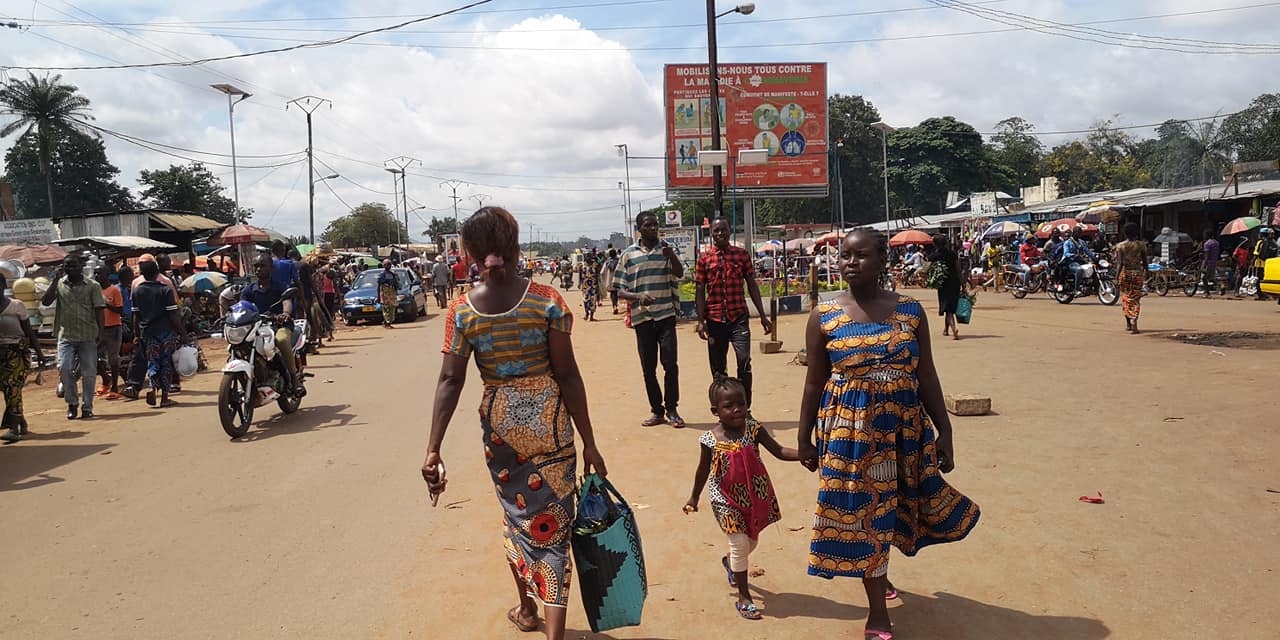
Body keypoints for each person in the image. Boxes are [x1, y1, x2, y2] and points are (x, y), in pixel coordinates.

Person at [421, 207, 607, 640]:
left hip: (501, 434)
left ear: (470, 253)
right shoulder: (548, 301)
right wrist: (591, 443)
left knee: (517, 518)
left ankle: (528, 609)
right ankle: (547, 623)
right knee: (553, 529)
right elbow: (568, 375)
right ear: (515, 247)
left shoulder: (461, 312)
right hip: (552, 426)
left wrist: (433, 448)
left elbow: (451, 379)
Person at [797, 230, 980, 640]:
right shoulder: (823, 315)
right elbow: (813, 382)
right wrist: (804, 438)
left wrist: (945, 430)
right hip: (850, 435)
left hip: (904, 430)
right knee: (865, 513)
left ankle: (878, 568)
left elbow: (926, 373)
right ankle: (877, 607)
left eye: (860, 256)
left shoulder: (911, 311)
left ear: (882, 260)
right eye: (844, 256)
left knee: (897, 508)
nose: (849, 262)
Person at [683, 377, 797, 620]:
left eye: (741, 403)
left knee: (751, 541)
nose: (736, 410)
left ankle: (730, 563)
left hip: (754, 494)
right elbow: (702, 470)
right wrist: (693, 497)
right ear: (715, 411)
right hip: (724, 498)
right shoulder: (710, 440)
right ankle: (745, 596)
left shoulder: (754, 429)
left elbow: (779, 451)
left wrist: (807, 454)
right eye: (728, 406)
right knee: (740, 543)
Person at [614, 211, 686, 428]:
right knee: (649, 368)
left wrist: (671, 255)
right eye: (648, 225)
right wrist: (638, 297)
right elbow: (618, 289)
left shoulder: (665, 251)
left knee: (670, 364)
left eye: (656, 225)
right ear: (639, 229)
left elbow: (680, 274)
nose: (653, 228)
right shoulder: (628, 255)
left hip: (665, 315)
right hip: (642, 319)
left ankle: (672, 409)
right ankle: (657, 411)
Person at [694, 218, 774, 411]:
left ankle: (745, 408)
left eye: (723, 230)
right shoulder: (704, 258)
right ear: (711, 233)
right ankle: (722, 409)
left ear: (730, 231)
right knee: (718, 369)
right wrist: (700, 321)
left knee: (744, 362)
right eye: (716, 231)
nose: (720, 234)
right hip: (714, 319)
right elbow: (699, 290)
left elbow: (752, 285)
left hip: (738, 317)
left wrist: (763, 316)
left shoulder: (741, 255)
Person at [41, 254, 105, 420]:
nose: (70, 269)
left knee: (89, 372)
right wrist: (55, 280)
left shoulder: (93, 286)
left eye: (73, 266)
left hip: (88, 334)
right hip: (66, 335)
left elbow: (99, 309)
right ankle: (72, 403)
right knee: (64, 368)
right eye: (67, 266)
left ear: (81, 267)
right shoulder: (60, 284)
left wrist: (101, 333)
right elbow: (46, 302)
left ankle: (87, 407)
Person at [241, 254, 304, 396]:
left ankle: (294, 380)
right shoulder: (249, 290)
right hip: (257, 328)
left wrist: (285, 313)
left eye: (262, 265)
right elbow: (242, 306)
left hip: (280, 325)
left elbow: (286, 302)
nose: (258, 269)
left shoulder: (281, 286)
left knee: (280, 340)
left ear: (272, 268)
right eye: (256, 266)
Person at [132, 259, 189, 407]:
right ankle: (164, 397)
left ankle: (152, 386)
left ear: (142, 274)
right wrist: (182, 333)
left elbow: (135, 316)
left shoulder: (137, 291)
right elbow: (173, 316)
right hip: (165, 332)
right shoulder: (165, 290)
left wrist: (137, 334)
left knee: (152, 361)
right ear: (157, 272)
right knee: (165, 363)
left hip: (147, 332)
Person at [0, 273, 44, 442]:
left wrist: (39, 353)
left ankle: (13, 429)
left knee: (12, 388)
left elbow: (29, 331)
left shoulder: (16, 306)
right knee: (7, 390)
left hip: (17, 353)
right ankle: (21, 421)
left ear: (3, 286)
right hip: (1, 354)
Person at [1113, 222, 1150, 334]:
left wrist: (1116, 278)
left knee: (1126, 298)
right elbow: (1145, 261)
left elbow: (1119, 264)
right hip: (1137, 274)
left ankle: (1129, 323)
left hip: (1125, 274)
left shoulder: (1120, 246)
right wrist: (1147, 272)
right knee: (1135, 298)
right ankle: (1134, 320)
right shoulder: (1141, 245)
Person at [95, 266, 125, 400]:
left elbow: (120, 310)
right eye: (95, 273)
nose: (97, 276)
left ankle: (115, 387)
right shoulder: (94, 291)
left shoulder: (114, 290)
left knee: (113, 358)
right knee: (95, 358)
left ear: (107, 274)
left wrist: (105, 304)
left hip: (113, 327)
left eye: (99, 273)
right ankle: (106, 380)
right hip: (98, 329)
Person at [929, 234, 964, 340]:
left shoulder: (934, 256)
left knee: (947, 308)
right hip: (955, 283)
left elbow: (928, 268)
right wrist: (963, 284)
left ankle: (954, 329)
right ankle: (946, 329)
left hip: (944, 284)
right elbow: (958, 270)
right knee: (949, 307)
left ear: (935, 244)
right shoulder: (953, 254)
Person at [1059, 227, 1096, 293]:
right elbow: (1066, 253)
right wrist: (1074, 255)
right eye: (1078, 233)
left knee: (1093, 268)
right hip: (1071, 262)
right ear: (1074, 233)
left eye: (1080, 233)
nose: (1079, 234)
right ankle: (1076, 289)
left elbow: (1087, 251)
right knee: (1079, 270)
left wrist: (1094, 257)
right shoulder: (1067, 243)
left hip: (1081, 261)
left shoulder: (1081, 242)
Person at [376, 260, 400, 328]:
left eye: (389, 264)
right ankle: (387, 323)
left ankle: (388, 322)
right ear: (383, 265)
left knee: (392, 308)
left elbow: (396, 284)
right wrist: (378, 297)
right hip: (385, 293)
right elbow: (379, 286)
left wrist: (396, 291)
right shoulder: (381, 275)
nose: (388, 266)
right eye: (386, 264)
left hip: (392, 293)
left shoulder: (393, 274)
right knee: (386, 308)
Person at [1201, 229, 1220, 298]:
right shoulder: (1216, 243)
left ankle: (1207, 293)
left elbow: (1207, 256)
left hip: (1208, 262)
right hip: (1214, 262)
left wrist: (1204, 265)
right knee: (1211, 277)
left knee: (1204, 278)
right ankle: (1221, 285)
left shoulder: (1207, 244)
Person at [579, 253, 599, 321]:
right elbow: (580, 275)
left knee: (593, 300)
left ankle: (592, 316)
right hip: (585, 285)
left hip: (593, 284)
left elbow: (598, 275)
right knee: (585, 299)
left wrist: (598, 285)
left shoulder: (595, 265)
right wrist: (579, 283)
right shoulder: (582, 265)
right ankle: (586, 313)